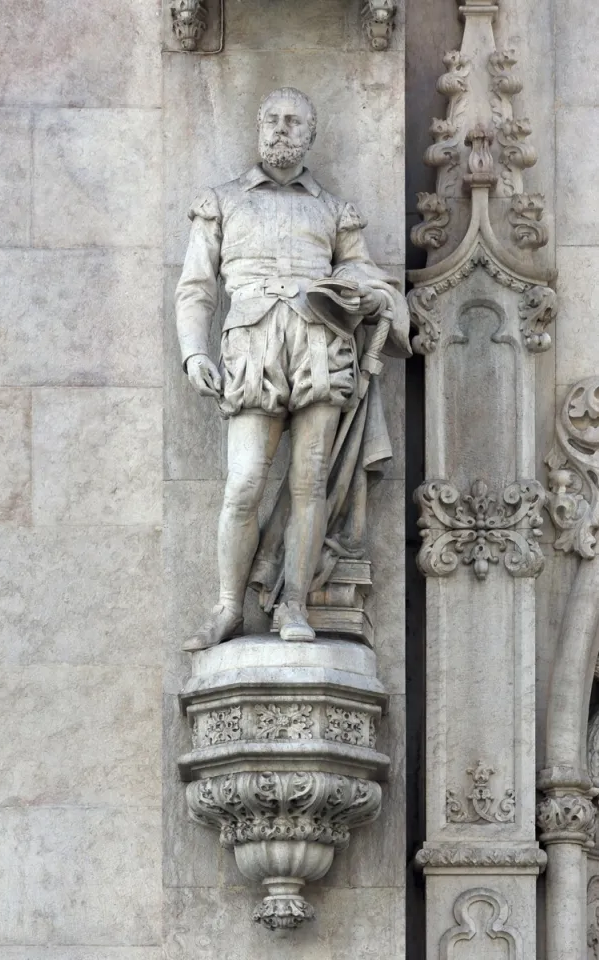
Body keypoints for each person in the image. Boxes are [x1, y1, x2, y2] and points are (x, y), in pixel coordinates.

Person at [176, 87, 410, 651]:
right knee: (245, 483)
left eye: (294, 122)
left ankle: (294, 606)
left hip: (319, 344)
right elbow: (196, 289)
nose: (282, 129)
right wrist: (194, 352)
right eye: (273, 120)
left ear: (310, 136)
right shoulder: (223, 201)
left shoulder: (332, 209)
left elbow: (367, 274)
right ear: (260, 128)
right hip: (252, 344)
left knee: (310, 486)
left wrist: (372, 296)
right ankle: (230, 605)